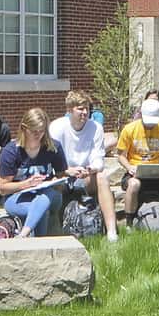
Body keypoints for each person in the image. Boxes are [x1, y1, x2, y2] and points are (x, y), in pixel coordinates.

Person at [49, 90, 118, 241]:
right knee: (53, 182)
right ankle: (55, 230)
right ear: (69, 110)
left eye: (87, 108)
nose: (85, 112)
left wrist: (91, 168)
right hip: (63, 176)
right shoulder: (57, 127)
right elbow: (51, 161)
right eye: (80, 109)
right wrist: (68, 171)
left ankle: (112, 232)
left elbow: (98, 158)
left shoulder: (95, 128)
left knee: (102, 177)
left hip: (86, 176)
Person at [0, 108, 66, 237]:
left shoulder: (54, 147)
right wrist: (27, 183)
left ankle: (23, 235)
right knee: (41, 211)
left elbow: (61, 177)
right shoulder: (11, 152)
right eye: (34, 131)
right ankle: (37, 245)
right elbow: (2, 188)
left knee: (47, 194)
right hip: (18, 197)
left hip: (49, 195)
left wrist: (53, 182)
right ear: (24, 128)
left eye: (42, 131)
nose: (38, 135)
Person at [116, 99, 159, 226]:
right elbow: (120, 156)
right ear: (141, 114)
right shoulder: (129, 129)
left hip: (157, 172)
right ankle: (129, 223)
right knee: (134, 184)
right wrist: (129, 167)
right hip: (135, 171)